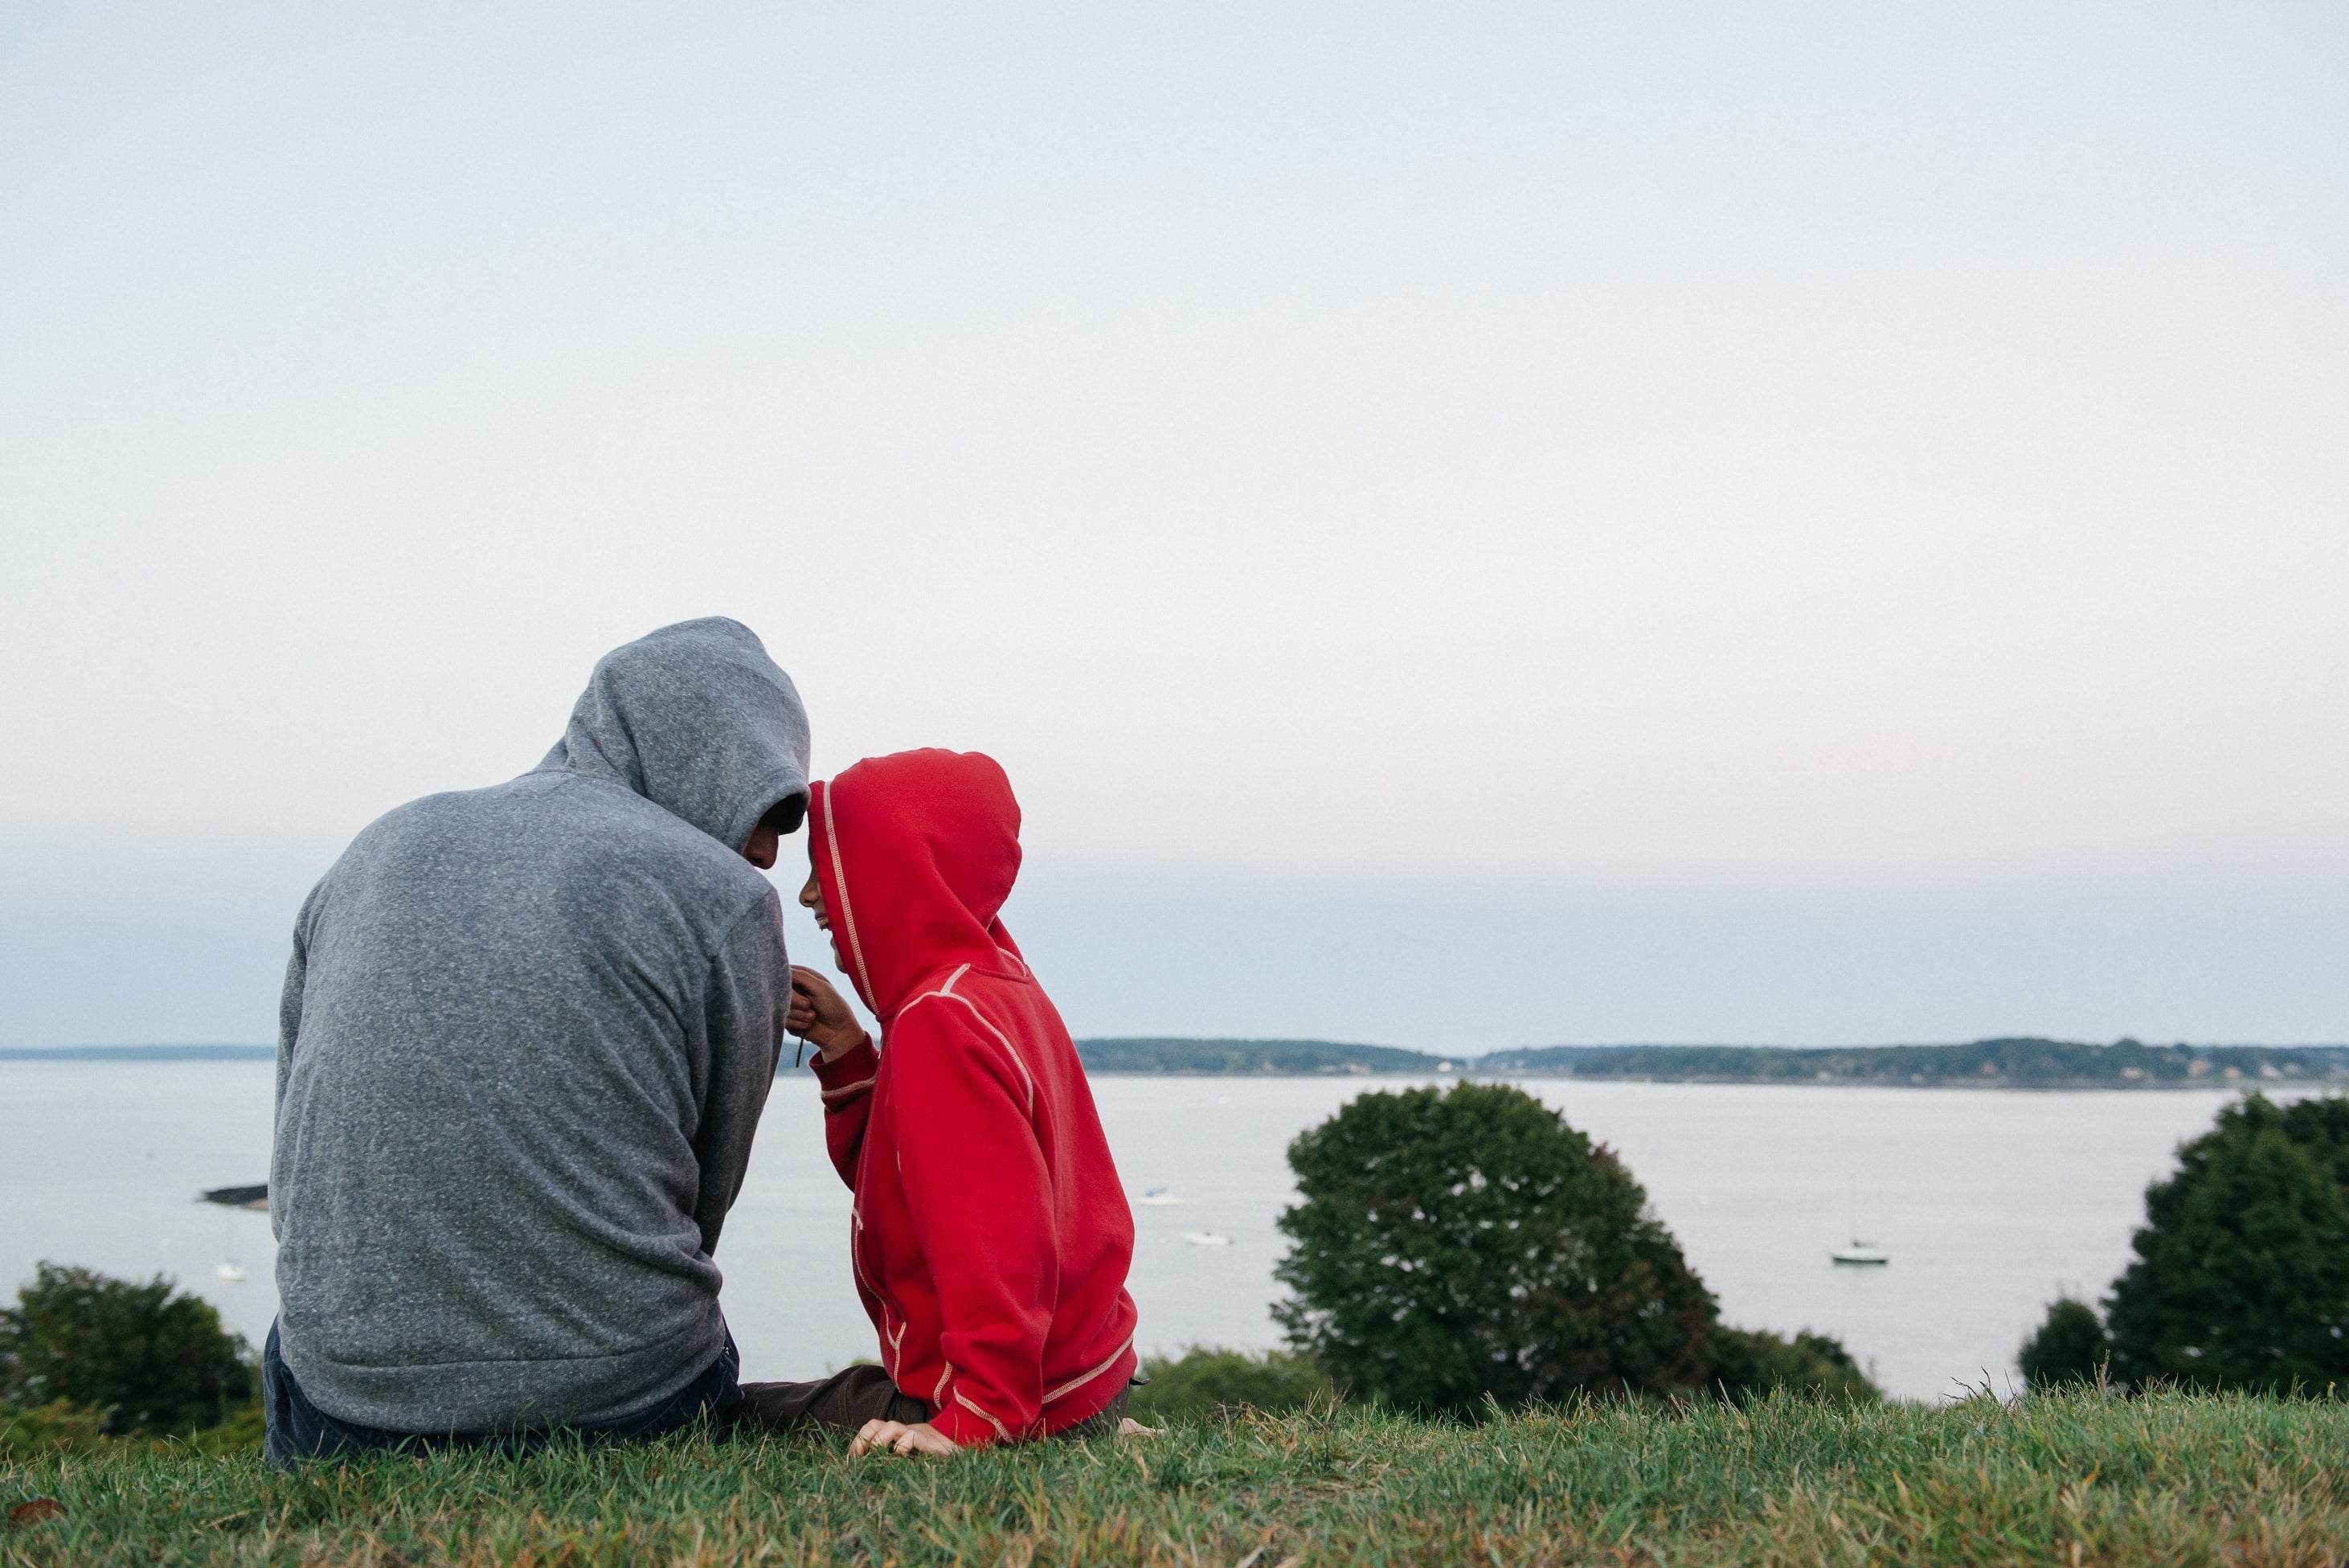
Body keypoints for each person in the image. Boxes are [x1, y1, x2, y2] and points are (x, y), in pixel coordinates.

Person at [264, 617, 809, 1464]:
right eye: (766, 805)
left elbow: (292, 1140)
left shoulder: (376, 846)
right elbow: (709, 1189)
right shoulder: (723, 894)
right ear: (709, 756)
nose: (769, 851)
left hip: (346, 1396)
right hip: (617, 1398)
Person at [735, 747, 1140, 1455]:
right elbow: (909, 1193)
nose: (808, 896)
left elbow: (997, 1241)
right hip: (1082, 1384)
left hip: (1013, 1399)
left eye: (827, 867)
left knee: (722, 1412)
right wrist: (848, 1053)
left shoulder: (937, 1022)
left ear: (893, 869)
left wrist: (978, 1417)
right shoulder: (995, 986)